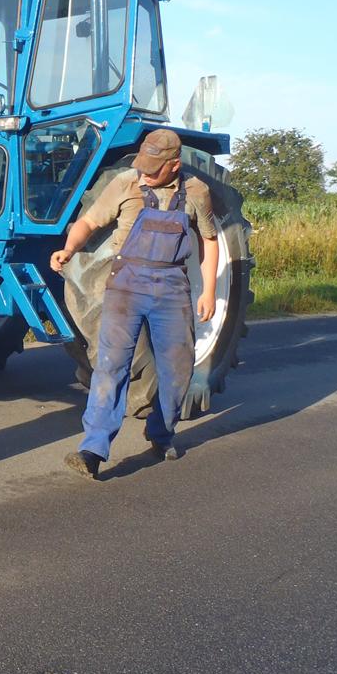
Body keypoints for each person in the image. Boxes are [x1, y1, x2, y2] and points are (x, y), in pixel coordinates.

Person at [49, 128, 219, 480]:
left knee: (177, 369)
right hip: (126, 284)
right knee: (111, 366)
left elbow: (209, 239)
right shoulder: (126, 184)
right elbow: (89, 221)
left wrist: (208, 290)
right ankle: (92, 449)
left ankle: (160, 433)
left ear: (174, 165)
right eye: (143, 163)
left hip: (172, 287)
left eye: (154, 167)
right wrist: (70, 248)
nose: (145, 172)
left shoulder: (197, 192)